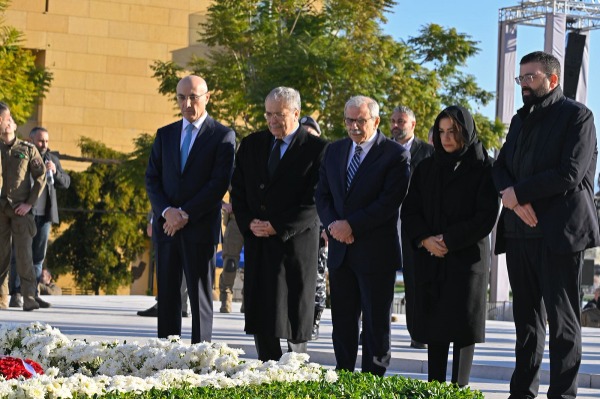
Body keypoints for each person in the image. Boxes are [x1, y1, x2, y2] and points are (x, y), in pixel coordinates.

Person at [492, 51, 600, 399]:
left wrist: (518, 194)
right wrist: (510, 196)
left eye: (531, 77)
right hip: (520, 233)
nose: (524, 83)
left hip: (559, 234)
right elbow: (500, 166)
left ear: (552, 80)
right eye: (521, 77)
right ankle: (521, 392)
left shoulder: (577, 116)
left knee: (563, 322)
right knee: (525, 324)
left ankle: (563, 394)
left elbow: (570, 173)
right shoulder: (519, 119)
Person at [401, 105, 499, 386]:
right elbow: (410, 211)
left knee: (462, 330)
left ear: (466, 132)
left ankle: (459, 389)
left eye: (453, 131)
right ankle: (435, 390)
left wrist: (448, 240)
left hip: (466, 261)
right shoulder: (427, 167)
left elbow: (485, 217)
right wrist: (425, 240)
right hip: (432, 259)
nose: (446, 138)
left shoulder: (484, 167)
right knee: (436, 330)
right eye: (441, 131)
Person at [315, 95, 410, 376]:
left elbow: (389, 201)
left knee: (375, 324)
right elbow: (321, 195)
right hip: (341, 252)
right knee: (343, 322)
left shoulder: (394, 154)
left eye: (361, 120)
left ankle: (372, 382)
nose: (354, 126)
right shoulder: (333, 151)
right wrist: (333, 224)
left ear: (376, 121)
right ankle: (344, 377)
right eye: (349, 120)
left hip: (375, 253)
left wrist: (351, 225)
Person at [231, 87, 327, 361]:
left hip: (294, 247)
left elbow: (316, 199)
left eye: (280, 114)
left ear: (296, 113)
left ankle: (294, 375)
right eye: (269, 114)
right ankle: (267, 374)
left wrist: (278, 225)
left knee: (294, 318)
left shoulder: (317, 150)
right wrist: (250, 223)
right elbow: (238, 190)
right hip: (259, 244)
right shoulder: (252, 145)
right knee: (263, 318)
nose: (273, 120)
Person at [145, 75, 236, 343]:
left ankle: (200, 356)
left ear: (207, 98)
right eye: (181, 97)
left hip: (199, 228)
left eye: (193, 97)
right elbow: (152, 178)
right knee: (169, 296)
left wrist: (184, 213)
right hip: (167, 228)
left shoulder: (222, 136)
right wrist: (166, 212)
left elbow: (218, 183)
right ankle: (166, 356)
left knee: (200, 298)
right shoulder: (165, 134)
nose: (187, 103)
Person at [8, 127, 70, 309]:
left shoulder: (53, 160)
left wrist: (55, 172)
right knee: (19, 255)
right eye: (41, 141)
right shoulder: (22, 156)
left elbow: (66, 182)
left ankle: (33, 294)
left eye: (47, 141)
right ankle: (17, 293)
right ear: (31, 140)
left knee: (37, 258)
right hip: (24, 214)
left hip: (45, 217)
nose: (44, 144)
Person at [391, 105, 434, 350]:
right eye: (393, 120)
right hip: (384, 223)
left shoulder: (428, 152)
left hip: (415, 226)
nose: (396, 125)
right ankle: (375, 330)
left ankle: (418, 332)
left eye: (402, 121)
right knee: (380, 279)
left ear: (413, 125)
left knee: (416, 280)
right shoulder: (381, 150)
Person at [0, 102, 47, 311]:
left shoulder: (27, 149)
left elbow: (40, 177)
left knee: (24, 256)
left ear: (15, 125)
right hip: (1, 208)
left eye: (10, 120)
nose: (7, 123)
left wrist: (29, 203)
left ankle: (29, 297)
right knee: (1, 256)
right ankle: (2, 298)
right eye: (5, 120)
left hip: (21, 209)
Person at [300, 115, 328, 340]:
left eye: (311, 134)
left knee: (318, 278)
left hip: (320, 228)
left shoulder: (326, 157)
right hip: (298, 229)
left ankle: (314, 322)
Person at [137, 214, 190, 318]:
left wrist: (152, 221)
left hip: (174, 219)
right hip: (179, 218)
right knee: (181, 263)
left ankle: (166, 306)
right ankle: (180, 306)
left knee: (171, 262)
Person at [219, 198, 244, 313]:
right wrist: (223, 204)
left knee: (255, 263)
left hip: (257, 219)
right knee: (230, 263)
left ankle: (249, 299)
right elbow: (215, 185)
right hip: (236, 219)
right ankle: (226, 299)